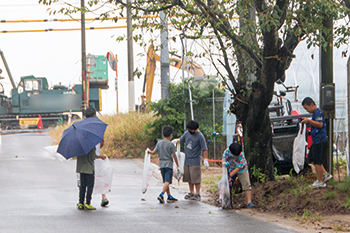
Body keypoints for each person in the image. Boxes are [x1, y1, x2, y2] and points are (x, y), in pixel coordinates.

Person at [77, 107, 107, 210]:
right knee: (90, 185)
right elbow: (95, 153)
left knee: (82, 185)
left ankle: (81, 202)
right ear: (94, 115)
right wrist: (100, 155)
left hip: (81, 166)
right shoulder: (96, 127)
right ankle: (89, 202)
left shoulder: (79, 128)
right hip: (90, 166)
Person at [301, 97, 332, 188]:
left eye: (307, 108)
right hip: (316, 140)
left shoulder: (318, 113)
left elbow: (320, 124)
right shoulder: (315, 114)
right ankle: (325, 174)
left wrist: (309, 121)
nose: (307, 110)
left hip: (320, 140)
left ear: (311, 105)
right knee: (312, 159)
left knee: (317, 161)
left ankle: (320, 181)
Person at [178, 120, 209, 201]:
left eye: (192, 130)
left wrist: (205, 159)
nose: (190, 132)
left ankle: (197, 193)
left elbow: (204, 149)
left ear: (196, 129)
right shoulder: (186, 133)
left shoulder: (200, 136)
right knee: (189, 177)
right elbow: (180, 140)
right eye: (189, 130)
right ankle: (191, 192)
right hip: (187, 159)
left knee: (196, 178)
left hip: (195, 160)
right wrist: (175, 141)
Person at [148, 126, 179, 203]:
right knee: (168, 181)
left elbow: (153, 152)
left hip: (161, 164)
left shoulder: (159, 143)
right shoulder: (171, 144)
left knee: (165, 181)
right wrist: (178, 165)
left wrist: (148, 151)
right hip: (168, 164)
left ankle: (169, 196)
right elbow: (174, 155)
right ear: (171, 134)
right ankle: (161, 194)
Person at [223, 142, 255, 208]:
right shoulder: (226, 152)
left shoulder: (241, 156)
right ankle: (227, 203)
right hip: (230, 168)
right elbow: (223, 160)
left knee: (246, 183)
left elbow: (238, 168)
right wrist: (225, 164)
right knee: (228, 185)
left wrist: (229, 176)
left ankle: (249, 202)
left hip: (242, 169)